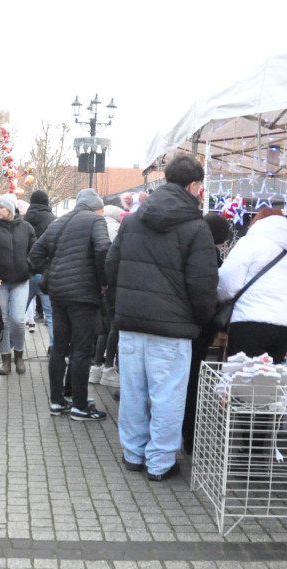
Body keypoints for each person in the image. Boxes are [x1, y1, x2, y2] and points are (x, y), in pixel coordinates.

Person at [106, 153, 219, 479]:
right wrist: (200, 321)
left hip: (130, 324)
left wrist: (121, 306)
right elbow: (203, 286)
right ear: (194, 185)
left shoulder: (132, 221)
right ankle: (159, 463)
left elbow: (111, 268)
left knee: (133, 394)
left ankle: (133, 454)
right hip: (171, 330)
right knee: (167, 396)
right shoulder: (196, 228)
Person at [29, 188, 111, 421]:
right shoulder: (96, 220)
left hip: (57, 292)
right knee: (82, 349)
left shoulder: (58, 222)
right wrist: (102, 281)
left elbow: (35, 255)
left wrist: (51, 271)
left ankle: (57, 401)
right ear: (97, 207)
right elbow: (103, 248)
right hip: (83, 294)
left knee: (59, 347)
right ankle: (80, 405)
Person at [217, 207, 287, 362]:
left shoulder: (251, 242)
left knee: (240, 378)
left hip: (251, 321)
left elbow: (227, 282)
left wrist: (219, 300)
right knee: (269, 381)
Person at [182, 213, 234, 455]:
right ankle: (190, 438)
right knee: (192, 381)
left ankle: (184, 434)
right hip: (198, 327)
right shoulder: (209, 255)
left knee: (184, 379)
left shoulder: (189, 247)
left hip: (183, 323)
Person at [0, 193, 36, 375]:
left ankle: (19, 355)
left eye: (1, 207)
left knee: (18, 320)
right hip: (0, 282)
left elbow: (34, 251)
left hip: (21, 280)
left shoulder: (26, 227)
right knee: (2, 321)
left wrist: (28, 267)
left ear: (11, 209)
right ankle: (5, 359)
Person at [90, 198, 127, 388]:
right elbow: (111, 258)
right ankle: (107, 368)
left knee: (104, 327)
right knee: (113, 327)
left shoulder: (98, 225)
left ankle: (97, 368)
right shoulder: (116, 229)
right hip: (113, 286)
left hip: (100, 285)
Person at [23, 190, 55, 331]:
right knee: (50, 313)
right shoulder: (53, 221)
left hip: (26, 271)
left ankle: (10, 344)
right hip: (46, 271)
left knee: (18, 312)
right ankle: (54, 346)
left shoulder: (23, 221)